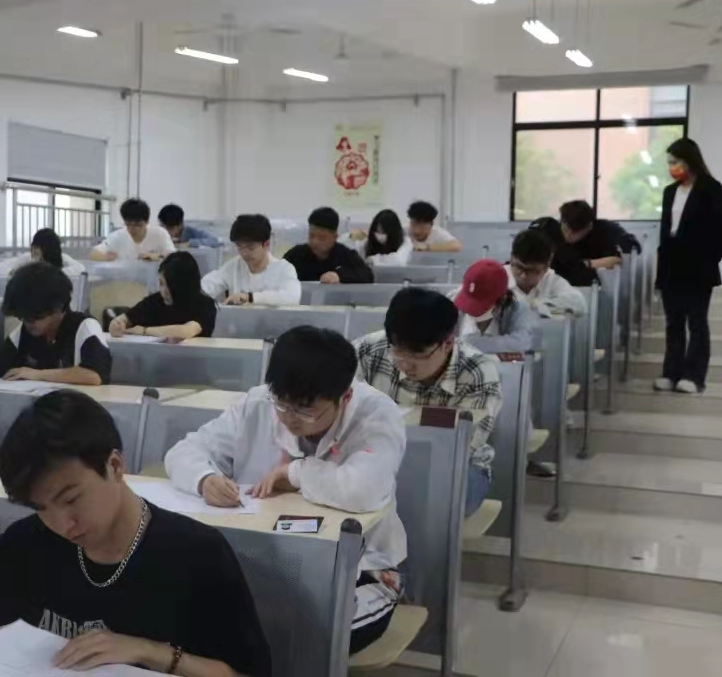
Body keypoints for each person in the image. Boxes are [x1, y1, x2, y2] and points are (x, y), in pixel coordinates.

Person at [0, 391, 272, 677]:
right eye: (42, 508)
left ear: (114, 466)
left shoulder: (196, 554)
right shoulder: (33, 541)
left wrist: (149, 651)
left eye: (71, 498)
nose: (63, 523)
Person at [165, 326, 407, 655]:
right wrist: (204, 478)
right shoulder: (257, 403)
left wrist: (295, 473)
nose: (290, 418)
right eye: (282, 403)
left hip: (362, 569)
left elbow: (364, 489)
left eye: (306, 409)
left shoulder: (377, 414)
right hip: (265, 567)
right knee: (217, 624)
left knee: (311, 634)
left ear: (344, 397)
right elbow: (184, 452)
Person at [352, 288, 502, 516]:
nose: (404, 364)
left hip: (455, 467)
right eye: (398, 351)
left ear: (448, 343)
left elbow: (459, 448)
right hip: (372, 457)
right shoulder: (367, 351)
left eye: (418, 355)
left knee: (432, 505)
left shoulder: (478, 374)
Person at [655, 138, 722, 395]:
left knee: (697, 322)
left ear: (689, 161)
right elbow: (665, 232)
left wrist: (710, 257)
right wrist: (660, 273)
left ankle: (694, 376)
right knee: (673, 322)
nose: (672, 167)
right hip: (672, 264)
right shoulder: (670, 192)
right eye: (669, 163)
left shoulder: (711, 188)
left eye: (675, 162)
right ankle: (671, 372)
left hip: (699, 266)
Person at [0, 263, 111, 386]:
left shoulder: (84, 326)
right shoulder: (25, 332)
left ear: (58, 307)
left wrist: (37, 374)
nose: (28, 323)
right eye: (23, 318)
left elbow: (94, 375)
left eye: (34, 317)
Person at [110, 252, 217, 340]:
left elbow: (186, 331)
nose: (164, 291)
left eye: (170, 285)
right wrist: (117, 324)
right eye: (161, 284)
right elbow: (126, 318)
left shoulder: (204, 305)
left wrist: (144, 331)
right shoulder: (155, 301)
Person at [201, 215, 301, 306]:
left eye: (251, 247)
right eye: (240, 246)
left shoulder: (284, 269)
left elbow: (292, 297)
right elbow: (209, 285)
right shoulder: (234, 266)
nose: (244, 253)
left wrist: (249, 297)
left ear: (266, 244)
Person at [539, 201, 639, 287]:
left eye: (575, 232)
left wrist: (588, 264)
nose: (568, 235)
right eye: (565, 229)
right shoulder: (551, 232)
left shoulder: (605, 231)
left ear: (589, 226)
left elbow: (622, 256)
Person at [450, 260, 538, 355]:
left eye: (480, 304)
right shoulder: (453, 300)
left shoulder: (517, 309)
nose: (470, 310)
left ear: (502, 298)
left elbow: (523, 341)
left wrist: (473, 343)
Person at [283, 207, 374, 284]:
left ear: (335, 237)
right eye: (311, 236)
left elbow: (367, 275)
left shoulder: (345, 255)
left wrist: (339, 275)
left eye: (322, 238)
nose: (315, 242)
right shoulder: (296, 254)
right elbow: (279, 271)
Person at [508, 229, 587, 316]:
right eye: (519, 267)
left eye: (531, 271)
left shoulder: (551, 280)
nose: (523, 276)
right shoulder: (499, 277)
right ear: (511, 258)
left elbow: (580, 304)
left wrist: (536, 304)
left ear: (546, 267)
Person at [89, 199, 176, 262]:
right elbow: (93, 253)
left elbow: (174, 257)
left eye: (138, 225)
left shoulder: (159, 234)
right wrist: (105, 257)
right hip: (126, 279)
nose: (132, 229)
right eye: (128, 224)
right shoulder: (118, 236)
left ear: (146, 222)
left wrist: (157, 256)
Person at [0, 229, 86, 278]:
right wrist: (16, 272)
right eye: (33, 248)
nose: (34, 253)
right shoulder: (28, 258)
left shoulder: (64, 259)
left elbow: (80, 269)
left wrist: (51, 274)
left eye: (37, 249)